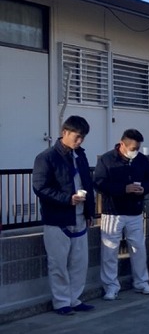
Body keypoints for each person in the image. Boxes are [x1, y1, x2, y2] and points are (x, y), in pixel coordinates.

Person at [32, 115, 96, 316]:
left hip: (79, 216)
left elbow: (88, 184)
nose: (79, 141)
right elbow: (40, 188)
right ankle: (61, 303)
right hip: (57, 218)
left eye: (82, 138)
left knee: (79, 262)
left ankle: (75, 299)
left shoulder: (81, 155)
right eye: (77, 137)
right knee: (58, 263)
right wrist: (67, 199)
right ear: (64, 133)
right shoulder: (46, 157)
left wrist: (89, 211)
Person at [94, 129, 149, 300]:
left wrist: (144, 188)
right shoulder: (107, 159)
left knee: (139, 248)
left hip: (135, 211)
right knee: (110, 250)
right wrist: (124, 189)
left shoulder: (141, 159)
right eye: (132, 147)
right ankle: (111, 286)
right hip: (112, 212)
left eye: (137, 148)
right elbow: (99, 184)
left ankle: (141, 282)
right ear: (122, 144)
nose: (134, 151)